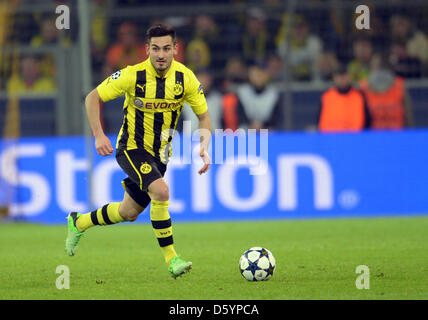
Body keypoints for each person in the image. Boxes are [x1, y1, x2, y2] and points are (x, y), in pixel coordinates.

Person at [65, 24, 213, 279]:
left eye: (167, 48)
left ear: (175, 50)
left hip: (160, 156)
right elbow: (92, 98)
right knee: (161, 191)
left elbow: (204, 116)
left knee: (129, 212)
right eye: (155, 49)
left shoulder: (185, 78)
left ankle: (78, 222)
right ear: (147, 50)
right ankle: (172, 259)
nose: (161, 54)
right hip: (131, 149)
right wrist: (99, 134)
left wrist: (204, 146)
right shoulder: (132, 75)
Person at [359, 55, 413, 129]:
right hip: (373, 136)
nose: (379, 70)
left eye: (381, 66)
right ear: (371, 67)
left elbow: (408, 114)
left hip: (397, 134)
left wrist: (409, 133)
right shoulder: (363, 87)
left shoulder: (399, 85)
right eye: (376, 66)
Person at [318, 65, 370, 132]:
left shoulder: (359, 96)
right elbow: (320, 122)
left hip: (354, 138)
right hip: (330, 138)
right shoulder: (326, 96)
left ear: (350, 77)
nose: (342, 78)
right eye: (339, 76)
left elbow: (366, 122)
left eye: (344, 75)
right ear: (334, 78)